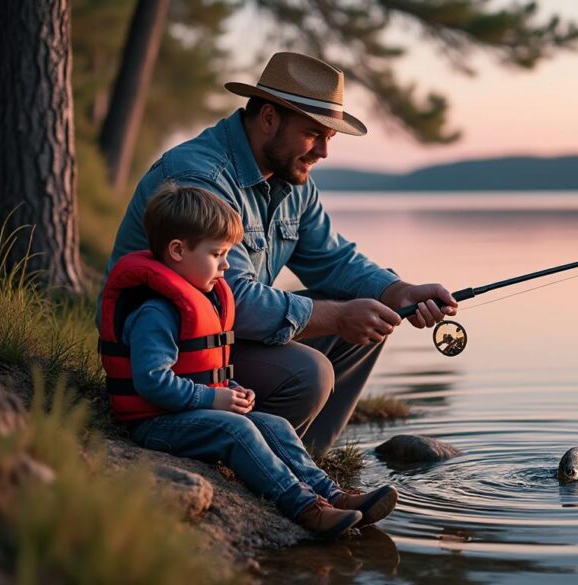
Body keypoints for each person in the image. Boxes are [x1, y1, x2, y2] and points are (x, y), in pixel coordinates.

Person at [102, 52, 457, 451]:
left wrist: (398, 292)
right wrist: (339, 317)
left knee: (373, 313)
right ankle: (242, 460)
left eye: (330, 137)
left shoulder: (292, 180)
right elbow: (233, 298)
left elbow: (333, 258)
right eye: (313, 134)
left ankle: (306, 461)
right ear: (269, 118)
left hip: (220, 335)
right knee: (310, 372)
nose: (323, 151)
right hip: (171, 352)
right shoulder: (201, 178)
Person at [98, 185, 398, 538]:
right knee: (236, 429)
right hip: (155, 424)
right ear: (177, 251)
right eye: (217, 254)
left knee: (275, 425)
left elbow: (201, 370)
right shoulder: (156, 312)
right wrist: (213, 398)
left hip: (186, 411)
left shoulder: (202, 297)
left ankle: (332, 494)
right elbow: (152, 382)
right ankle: (306, 508)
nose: (226, 265)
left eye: (228, 253)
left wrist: (232, 389)